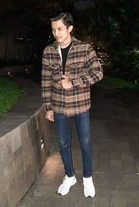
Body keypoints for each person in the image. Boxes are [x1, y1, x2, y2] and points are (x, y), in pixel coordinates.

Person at [41, 12, 103, 197]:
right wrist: (48, 107)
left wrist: (74, 81)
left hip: (81, 105)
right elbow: (45, 81)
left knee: (85, 143)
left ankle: (87, 178)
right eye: (53, 30)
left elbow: (98, 72)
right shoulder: (48, 51)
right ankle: (69, 176)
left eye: (60, 29)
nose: (56, 33)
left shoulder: (85, 48)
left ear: (70, 28)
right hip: (59, 107)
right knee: (63, 144)